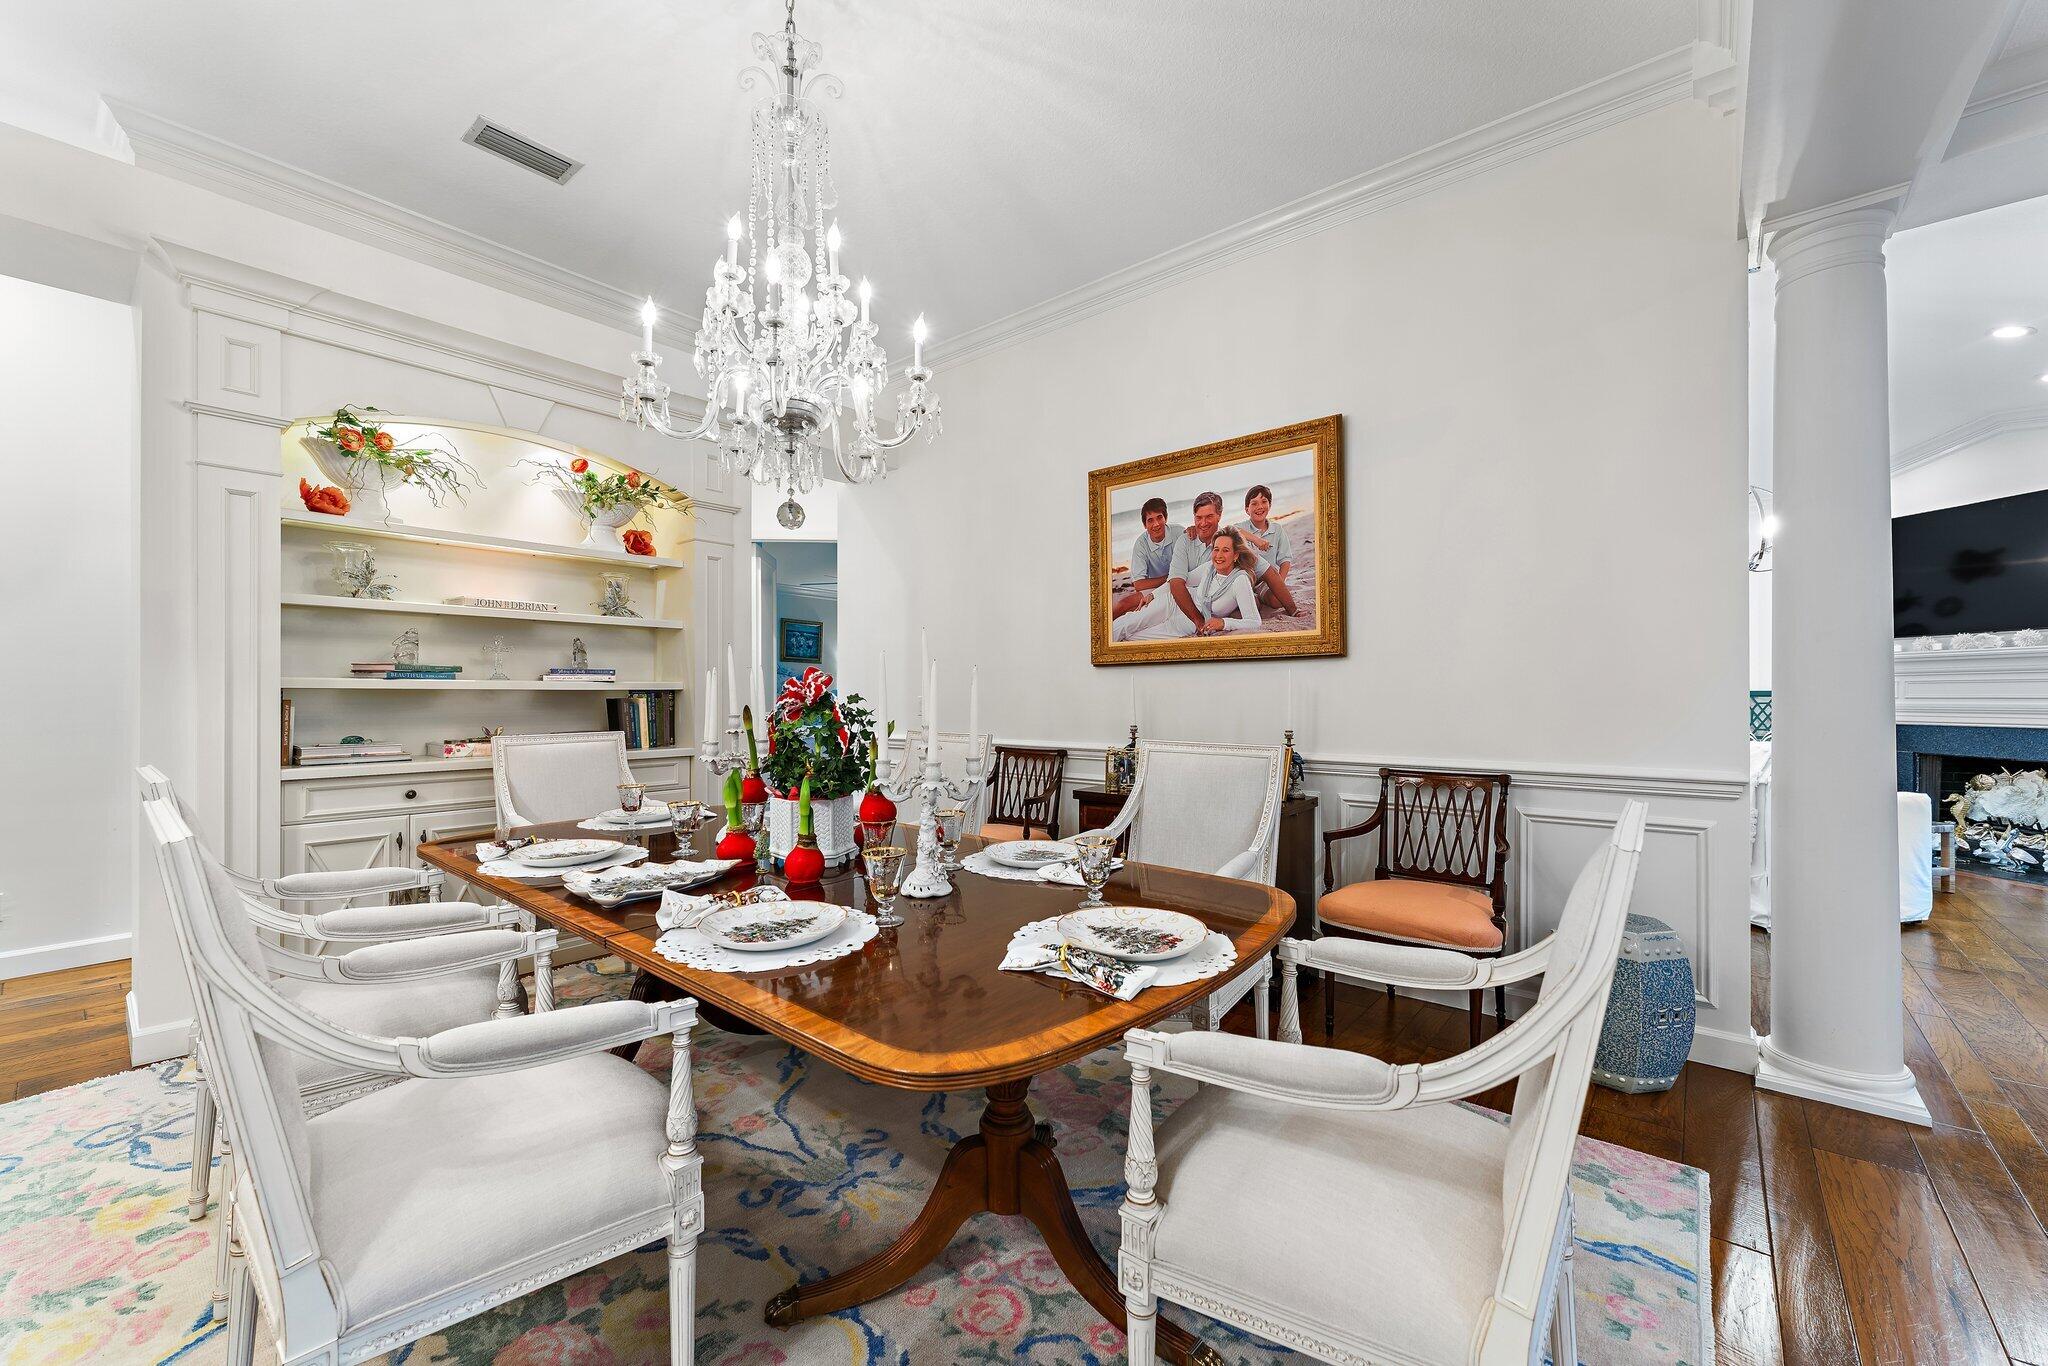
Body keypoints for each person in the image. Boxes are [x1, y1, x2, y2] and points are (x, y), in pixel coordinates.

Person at [1113, 527, 1261, 641]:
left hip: (1187, 624)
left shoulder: (1240, 580)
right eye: (1216, 549)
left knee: (1133, 639)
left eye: (1226, 550)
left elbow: (1254, 622)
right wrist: (1153, 594)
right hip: (1173, 602)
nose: (1219, 555)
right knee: (1128, 624)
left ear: (1235, 555)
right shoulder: (1209, 567)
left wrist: (1223, 623)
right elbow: (1179, 581)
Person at [1112, 496, 1185, 618]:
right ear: (1145, 525)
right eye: (1150, 520)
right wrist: (1171, 578)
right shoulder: (1141, 544)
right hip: (1155, 589)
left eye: (1159, 517)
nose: (1156, 524)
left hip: (1183, 583)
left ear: (1165, 518)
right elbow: (1139, 585)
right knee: (1122, 604)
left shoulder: (1179, 532)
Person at [1234, 483, 1300, 616]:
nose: (1259, 507)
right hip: (1246, 579)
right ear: (1247, 510)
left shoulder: (1277, 530)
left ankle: (1260, 595)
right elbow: (1230, 530)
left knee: (1277, 601)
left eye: (1264, 502)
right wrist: (1255, 539)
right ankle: (1253, 596)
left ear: (1270, 505)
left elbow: (1285, 560)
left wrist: (1279, 584)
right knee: (1253, 605)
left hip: (1267, 581)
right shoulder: (1241, 527)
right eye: (1254, 503)